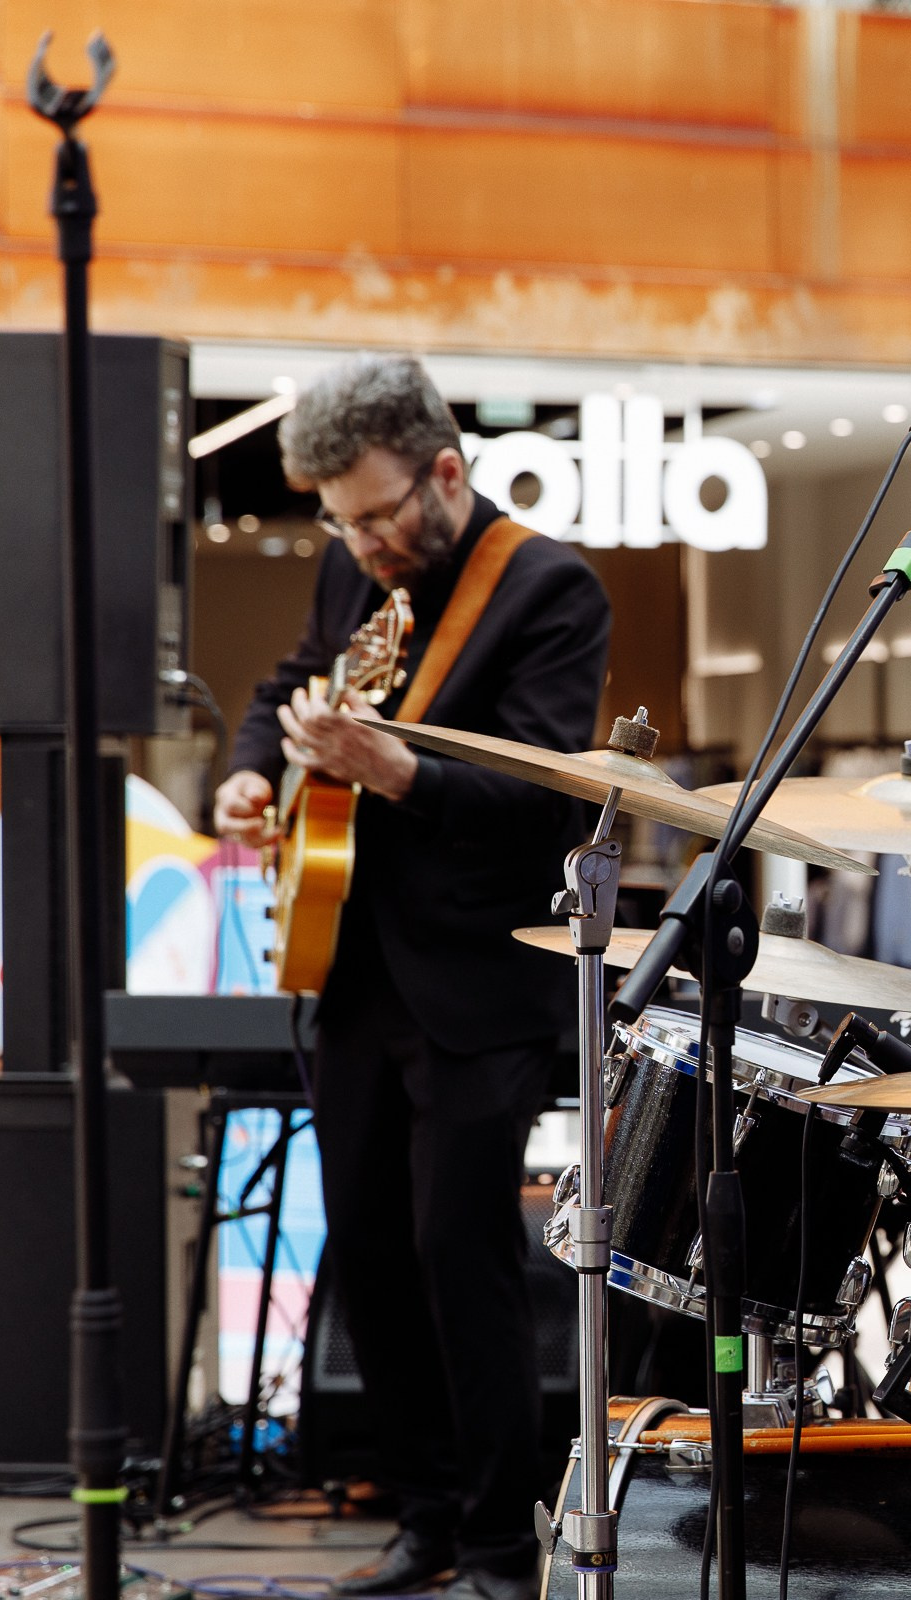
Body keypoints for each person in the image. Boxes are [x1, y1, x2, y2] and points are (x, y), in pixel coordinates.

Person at [215, 356, 610, 1600]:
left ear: (445, 471)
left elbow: (546, 795)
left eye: (378, 514)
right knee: (371, 1253)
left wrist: (397, 773)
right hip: (353, 967)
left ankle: (498, 1541)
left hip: (479, 986)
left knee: (461, 1256)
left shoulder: (547, 587)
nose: (362, 542)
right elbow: (288, 682)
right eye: (340, 520)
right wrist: (249, 768)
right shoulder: (352, 567)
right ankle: (425, 1518)